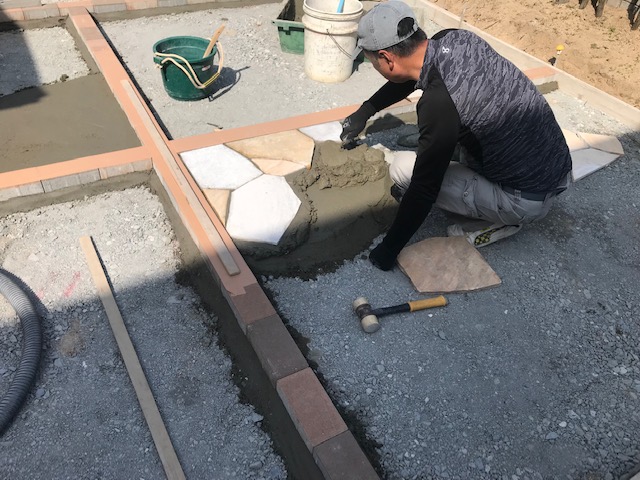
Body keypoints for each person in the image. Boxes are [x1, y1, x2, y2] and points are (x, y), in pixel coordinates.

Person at [341, 0, 572, 271]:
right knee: (442, 137)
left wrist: (388, 250)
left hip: (525, 199)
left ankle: (499, 221)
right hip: (555, 168)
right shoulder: (454, 38)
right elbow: (411, 75)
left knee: (403, 168)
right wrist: (366, 110)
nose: (374, 66)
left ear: (387, 58)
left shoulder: (439, 102)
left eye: (372, 62)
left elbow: (425, 187)